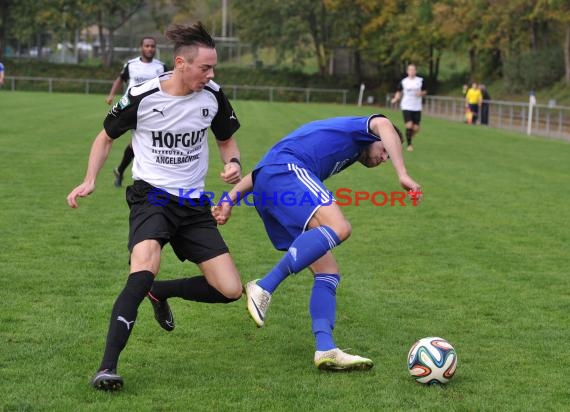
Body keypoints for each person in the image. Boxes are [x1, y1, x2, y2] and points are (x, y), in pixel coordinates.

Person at [67, 22, 244, 391]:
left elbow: (227, 140)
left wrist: (234, 164)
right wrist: (89, 180)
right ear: (181, 63)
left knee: (230, 289)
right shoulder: (142, 95)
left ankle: (161, 291)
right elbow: (105, 138)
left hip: (194, 204)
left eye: (213, 68)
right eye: (205, 68)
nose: (211, 75)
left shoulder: (213, 95)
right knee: (143, 265)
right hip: (152, 196)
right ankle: (107, 368)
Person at [212, 114, 422, 371]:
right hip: (287, 171)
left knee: (328, 272)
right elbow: (384, 123)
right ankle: (264, 285)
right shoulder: (361, 128)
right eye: (385, 150)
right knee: (339, 227)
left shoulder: (342, 149)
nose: (384, 158)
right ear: (375, 139)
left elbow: (261, 172)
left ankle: (326, 348)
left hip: (270, 181)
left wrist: (229, 200)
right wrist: (402, 173)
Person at [106, 37, 168, 188]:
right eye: (147, 46)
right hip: (132, 108)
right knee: (138, 141)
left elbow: (169, 85)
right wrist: (111, 95)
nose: (150, 49)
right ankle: (140, 175)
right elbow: (120, 79)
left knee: (141, 142)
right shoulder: (131, 65)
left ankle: (121, 171)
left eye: (152, 46)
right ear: (141, 47)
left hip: (153, 109)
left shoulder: (161, 67)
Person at [390, 64, 426, 152]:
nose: (412, 71)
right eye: (410, 70)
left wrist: (421, 94)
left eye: (413, 70)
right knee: (409, 125)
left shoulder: (420, 81)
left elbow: (425, 91)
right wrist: (395, 98)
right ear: (407, 71)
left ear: (415, 71)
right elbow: (398, 91)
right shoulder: (404, 81)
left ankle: (409, 134)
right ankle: (409, 145)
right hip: (406, 106)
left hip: (417, 107)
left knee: (416, 128)